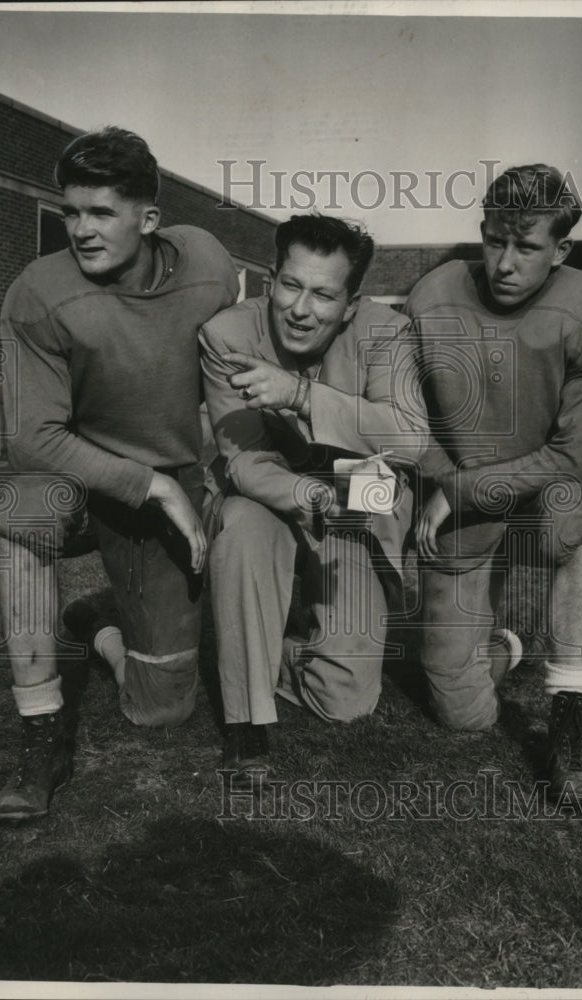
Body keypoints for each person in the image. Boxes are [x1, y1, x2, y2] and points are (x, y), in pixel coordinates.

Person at [0, 126, 239, 823]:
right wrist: (147, 483)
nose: (80, 229)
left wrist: (208, 468)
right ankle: (41, 731)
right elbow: (32, 439)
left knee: (160, 711)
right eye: (70, 211)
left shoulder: (210, 264)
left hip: (173, 482)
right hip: (81, 480)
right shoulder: (37, 294)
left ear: (149, 219)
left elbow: (229, 376)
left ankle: (98, 624)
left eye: (100, 213)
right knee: (20, 509)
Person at [406, 164, 582, 800]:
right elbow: (400, 419)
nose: (505, 263)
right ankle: (505, 643)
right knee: (460, 715)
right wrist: (443, 480)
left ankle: (568, 725)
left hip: (543, 490)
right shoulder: (432, 296)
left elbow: (580, 457)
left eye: (527, 247)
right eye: (494, 241)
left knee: (580, 526)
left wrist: (463, 489)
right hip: (460, 496)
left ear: (561, 251)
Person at [200, 214, 428, 775]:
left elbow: (410, 440)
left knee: (345, 699)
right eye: (291, 285)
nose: (301, 309)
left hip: (355, 506)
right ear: (271, 278)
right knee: (246, 521)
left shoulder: (385, 331)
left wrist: (301, 395)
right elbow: (247, 460)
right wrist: (313, 495)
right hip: (265, 494)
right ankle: (245, 726)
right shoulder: (227, 334)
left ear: (351, 303)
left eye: (323, 294)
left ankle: (248, 646)